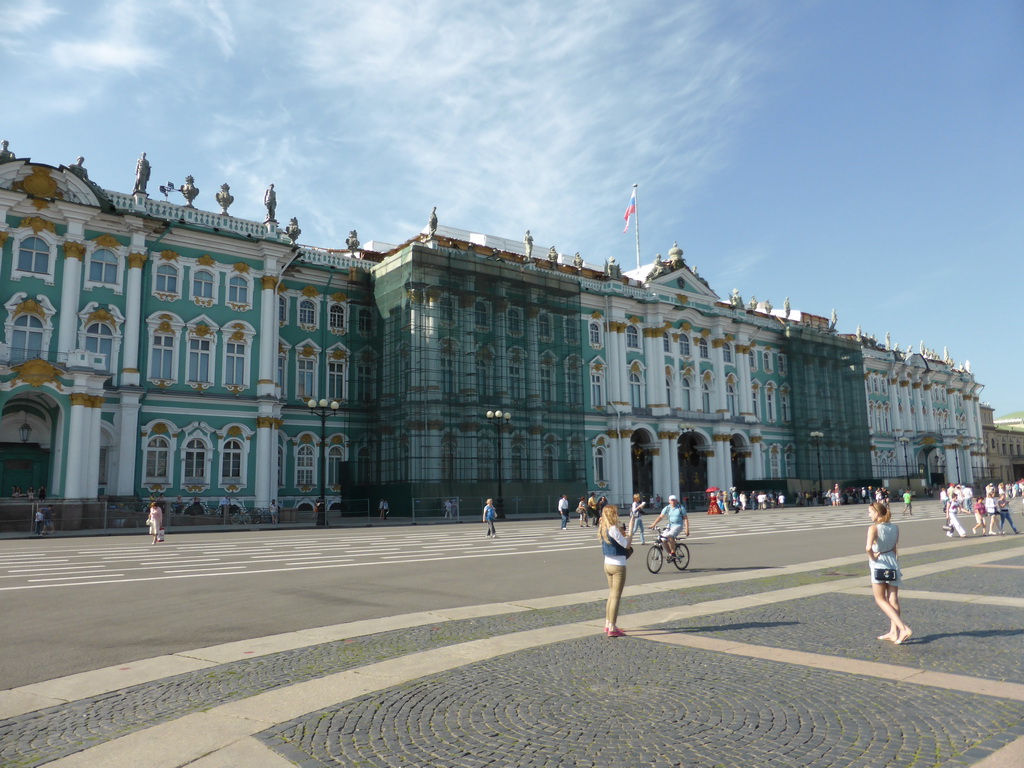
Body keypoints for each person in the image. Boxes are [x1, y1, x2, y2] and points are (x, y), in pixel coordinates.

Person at [866, 502, 911, 644]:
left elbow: (868, 548)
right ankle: (893, 632)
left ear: (877, 513)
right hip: (892, 562)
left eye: (870, 512)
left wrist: (873, 557)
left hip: (879, 564)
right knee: (893, 599)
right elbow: (895, 549)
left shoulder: (873, 528)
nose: (869, 515)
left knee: (880, 599)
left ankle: (903, 628)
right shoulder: (895, 528)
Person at [598, 504, 633, 637]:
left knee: (611, 595)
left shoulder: (603, 527)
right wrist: (630, 532)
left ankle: (608, 624)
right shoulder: (613, 528)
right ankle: (612, 627)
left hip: (607, 564)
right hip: (618, 565)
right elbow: (626, 545)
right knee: (616, 596)